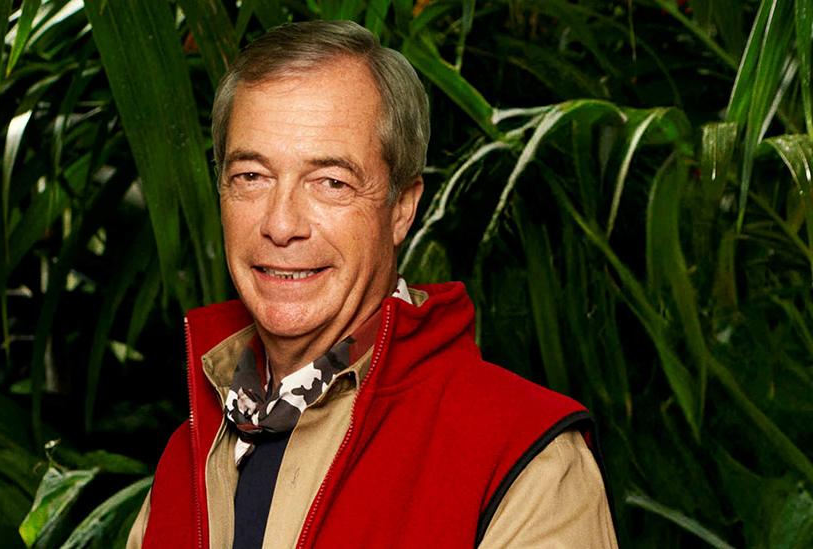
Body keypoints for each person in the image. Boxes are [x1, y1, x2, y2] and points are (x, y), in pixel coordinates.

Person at [127, 19, 617, 549]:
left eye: (331, 182)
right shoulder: (186, 460)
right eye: (252, 176)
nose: (281, 224)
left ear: (402, 207)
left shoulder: (524, 459)